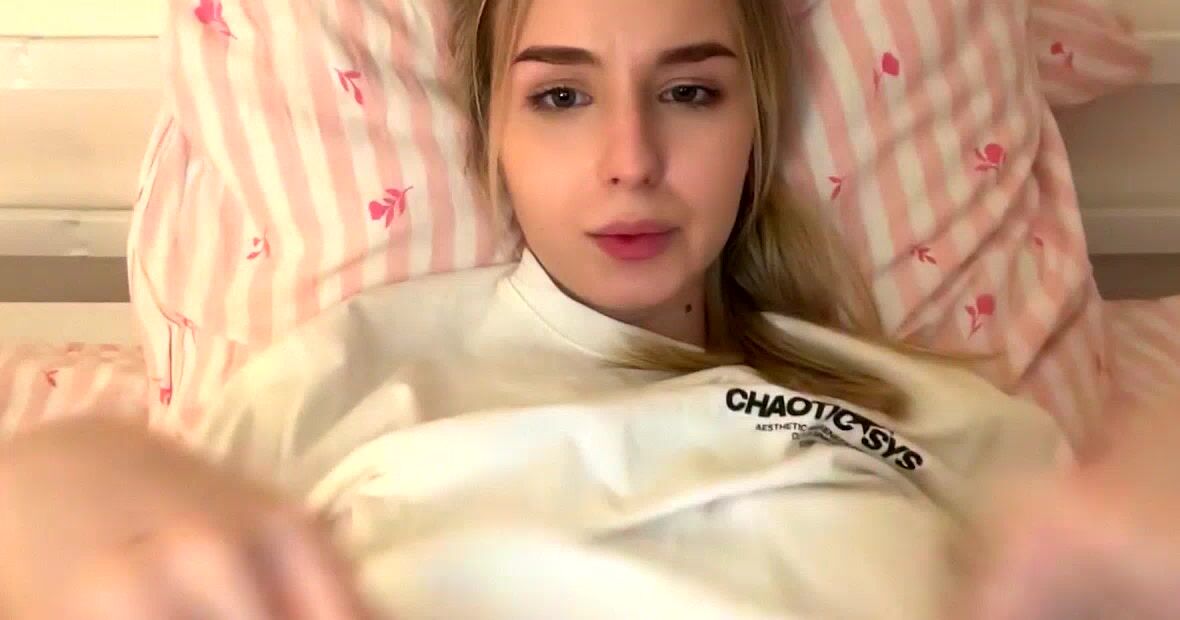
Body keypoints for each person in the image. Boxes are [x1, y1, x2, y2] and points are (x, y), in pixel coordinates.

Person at [0, 0, 1175, 618]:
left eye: (689, 91)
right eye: (560, 96)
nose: (630, 158)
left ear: (755, 125)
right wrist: (60, 481)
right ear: (493, 141)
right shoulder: (348, 368)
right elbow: (115, 545)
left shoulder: (940, 411)